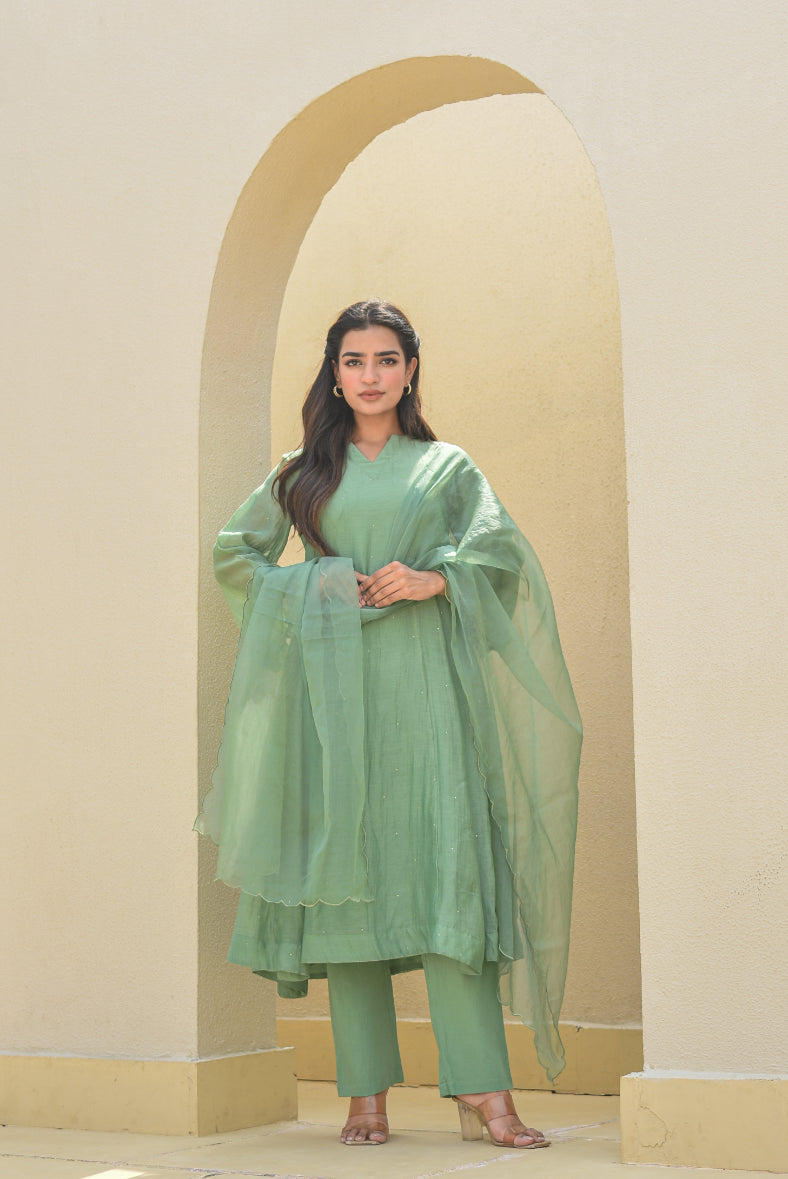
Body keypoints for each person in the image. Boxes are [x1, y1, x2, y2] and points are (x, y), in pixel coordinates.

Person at [195, 300, 582, 1149]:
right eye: (354, 359)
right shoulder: (303, 470)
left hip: (426, 690)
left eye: (387, 359)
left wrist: (436, 580)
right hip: (330, 696)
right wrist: (319, 583)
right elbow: (236, 554)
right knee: (350, 878)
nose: (370, 374)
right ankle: (363, 1093)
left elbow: (502, 555)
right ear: (334, 372)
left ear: (410, 370)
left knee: (448, 875)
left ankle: (486, 1091)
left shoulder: (445, 468)